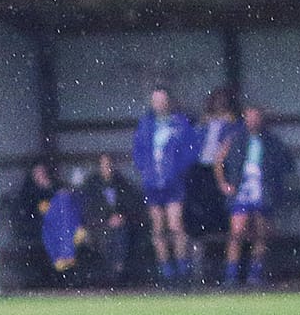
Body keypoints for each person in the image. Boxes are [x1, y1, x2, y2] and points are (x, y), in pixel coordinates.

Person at [217, 102, 291, 287]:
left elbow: (284, 165)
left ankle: (255, 273)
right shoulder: (235, 138)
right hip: (241, 188)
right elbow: (219, 161)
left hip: (262, 189)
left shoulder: (271, 141)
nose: (253, 120)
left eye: (256, 116)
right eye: (249, 116)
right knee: (237, 231)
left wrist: (273, 186)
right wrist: (224, 184)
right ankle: (231, 274)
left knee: (261, 231)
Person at [132, 87, 200, 283]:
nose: (159, 103)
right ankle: (165, 269)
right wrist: (145, 169)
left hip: (173, 182)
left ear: (169, 102)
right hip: (152, 183)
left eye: (162, 100)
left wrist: (178, 169)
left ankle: (182, 266)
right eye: (156, 100)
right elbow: (138, 151)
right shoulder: (146, 124)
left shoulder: (180, 123)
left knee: (175, 225)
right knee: (158, 227)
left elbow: (191, 149)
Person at [185, 87, 239, 267]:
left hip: (221, 168)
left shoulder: (233, 123)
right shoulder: (203, 122)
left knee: (219, 204)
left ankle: (219, 245)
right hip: (202, 168)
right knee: (198, 205)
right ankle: (199, 236)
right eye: (216, 99)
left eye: (223, 100)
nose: (219, 103)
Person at [88, 153, 146, 285]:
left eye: (109, 164)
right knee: (108, 237)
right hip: (98, 226)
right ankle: (112, 273)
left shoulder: (122, 183)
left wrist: (121, 216)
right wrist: (105, 219)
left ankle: (118, 272)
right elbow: (90, 208)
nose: (107, 168)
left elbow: (131, 204)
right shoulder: (92, 185)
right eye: (104, 165)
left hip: (122, 224)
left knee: (120, 234)